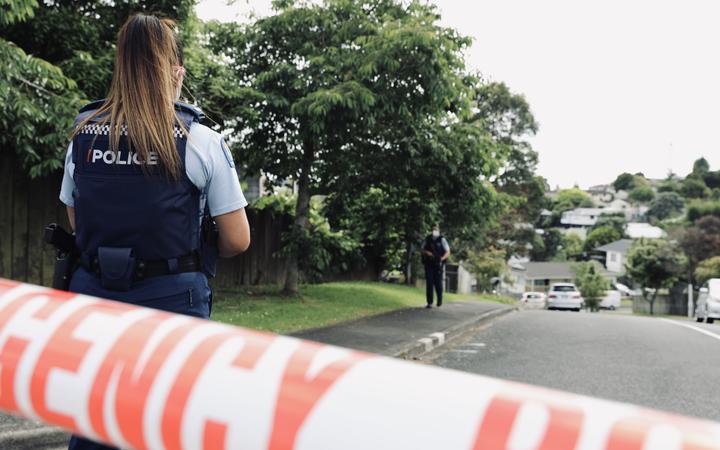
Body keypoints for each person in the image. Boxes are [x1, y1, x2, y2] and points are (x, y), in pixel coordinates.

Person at [58, 14, 250, 450]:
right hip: (171, 305)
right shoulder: (198, 138)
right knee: (168, 423)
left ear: (120, 65)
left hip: (93, 300)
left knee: (95, 419)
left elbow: (76, 219)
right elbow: (238, 239)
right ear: (173, 68)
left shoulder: (83, 134)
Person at [421, 224, 450, 308]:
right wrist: (427, 253)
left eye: (436, 229)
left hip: (438, 263)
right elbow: (422, 249)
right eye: (433, 229)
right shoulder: (428, 239)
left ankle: (439, 300)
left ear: (439, 230)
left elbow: (448, 251)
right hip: (429, 263)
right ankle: (429, 302)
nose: (435, 231)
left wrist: (441, 258)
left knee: (438, 283)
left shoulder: (442, 239)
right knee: (429, 282)